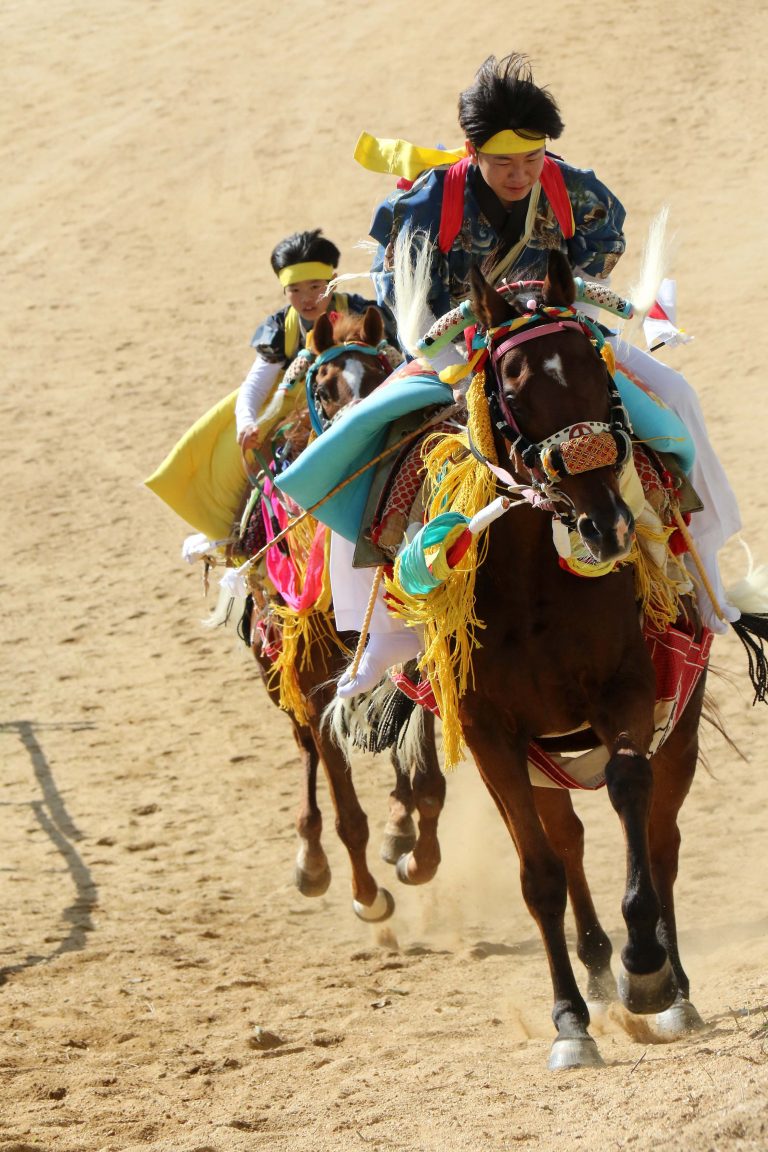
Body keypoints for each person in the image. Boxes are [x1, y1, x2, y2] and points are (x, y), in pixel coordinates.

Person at [327, 51, 741, 697]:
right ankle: (379, 633)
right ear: (471, 152)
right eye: (502, 163)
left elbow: (605, 241)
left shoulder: (573, 188)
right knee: (360, 444)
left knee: (678, 395)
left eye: (532, 159)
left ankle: (702, 568)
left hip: (557, 331)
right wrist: (465, 338)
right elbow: (395, 285)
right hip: (457, 347)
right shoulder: (426, 205)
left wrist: (562, 304)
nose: (520, 175)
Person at [236, 228, 393, 453]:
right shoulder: (280, 329)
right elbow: (255, 385)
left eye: (315, 287)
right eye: (295, 290)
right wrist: (246, 423)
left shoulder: (362, 313)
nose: (306, 298)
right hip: (298, 407)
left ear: (334, 282)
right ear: (284, 291)